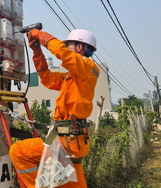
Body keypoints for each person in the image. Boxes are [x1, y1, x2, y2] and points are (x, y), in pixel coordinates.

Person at [9, 28, 100, 188]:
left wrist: (41, 36)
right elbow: (47, 78)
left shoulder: (88, 68)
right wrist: (37, 51)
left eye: (69, 45)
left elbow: (63, 54)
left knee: (19, 151)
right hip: (71, 140)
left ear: (79, 48)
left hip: (69, 142)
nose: (66, 49)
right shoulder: (72, 76)